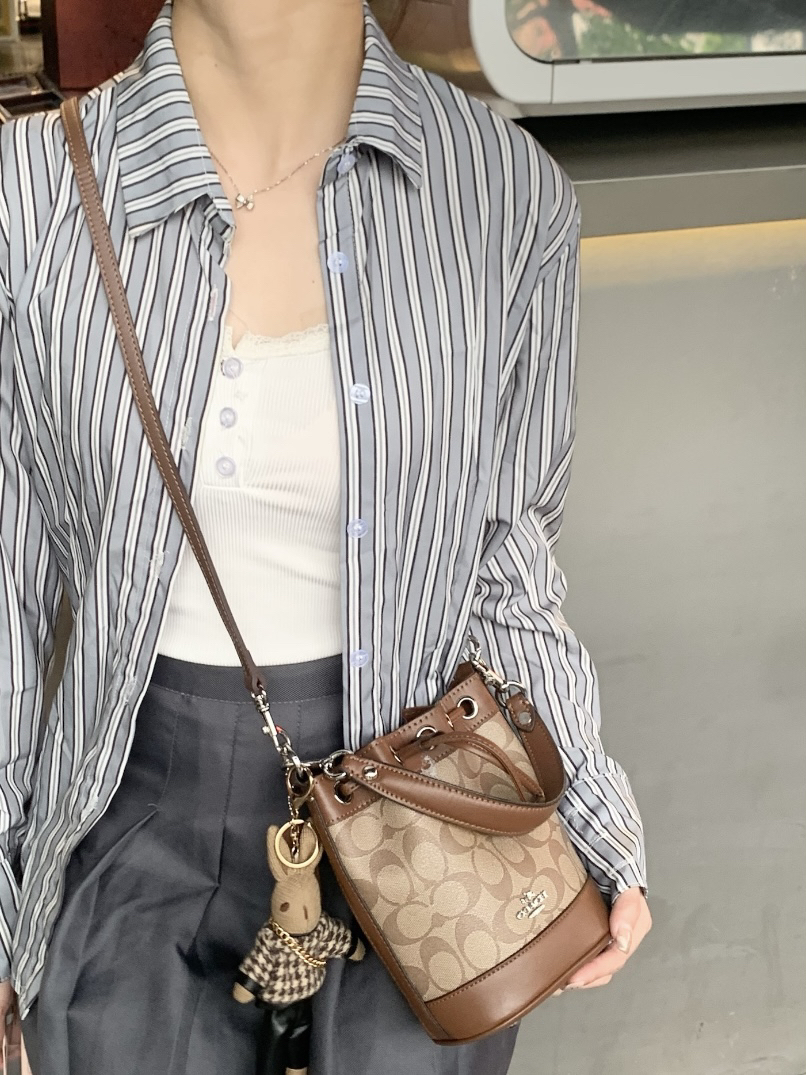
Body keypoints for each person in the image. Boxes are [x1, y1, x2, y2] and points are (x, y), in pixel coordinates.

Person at [0, 0, 652, 1071]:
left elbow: (505, 559)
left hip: (429, 806)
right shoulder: (28, 198)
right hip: (128, 799)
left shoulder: (502, 191)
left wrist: (584, 801)